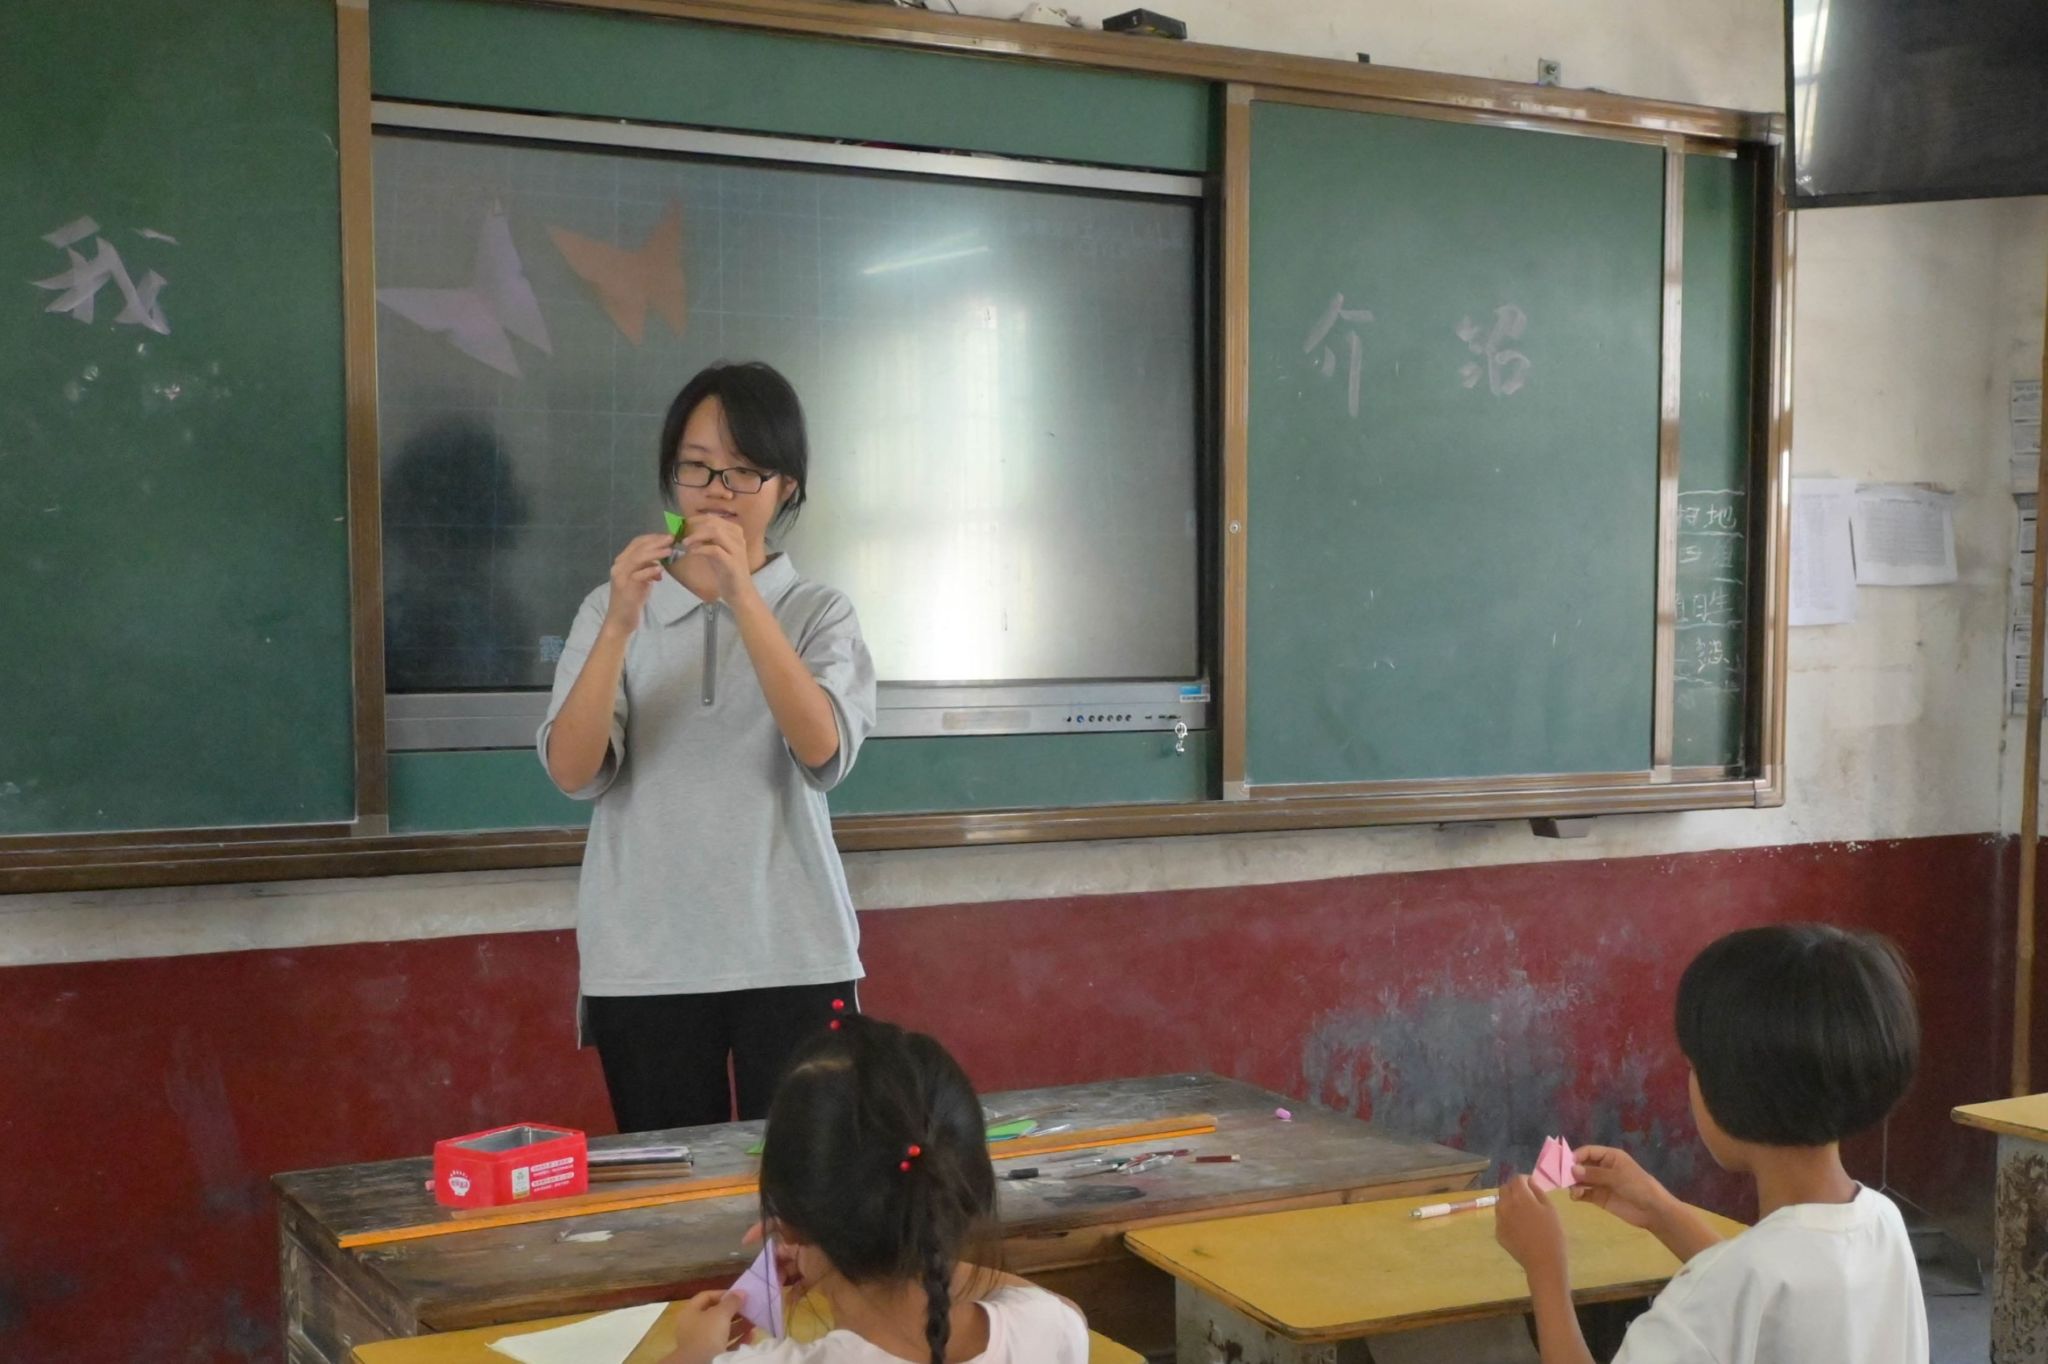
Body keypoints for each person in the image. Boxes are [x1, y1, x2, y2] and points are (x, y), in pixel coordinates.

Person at [540, 361, 877, 1133]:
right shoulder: (611, 605)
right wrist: (620, 623)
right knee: (673, 1189)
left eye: (743, 471)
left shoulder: (820, 611)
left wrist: (743, 598)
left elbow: (823, 752)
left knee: (801, 1182)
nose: (716, 490)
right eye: (695, 467)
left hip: (793, 952)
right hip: (645, 962)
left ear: (785, 486)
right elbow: (572, 771)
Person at [1495, 922, 1928, 1364]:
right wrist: (1661, 1211)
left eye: (1694, 1066)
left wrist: (1545, 1269)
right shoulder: (1883, 1225)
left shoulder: (1710, 1295)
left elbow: (1733, 1293)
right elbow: (1757, 1298)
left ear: (1734, 1089)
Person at [662, 1016, 1091, 1364]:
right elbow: (1056, 1309)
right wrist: (911, 1244)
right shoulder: (1052, 1329)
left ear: (789, 1225)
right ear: (966, 1191)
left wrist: (692, 1354)